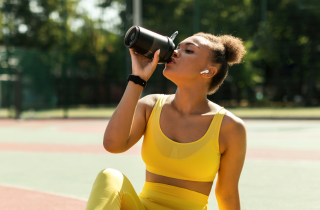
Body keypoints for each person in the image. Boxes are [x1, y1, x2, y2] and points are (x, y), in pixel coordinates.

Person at [85, 32, 247, 210]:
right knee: (109, 176)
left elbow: (227, 193)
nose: (175, 52)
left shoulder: (230, 127)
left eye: (189, 51)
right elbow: (113, 144)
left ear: (208, 71)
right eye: (178, 47)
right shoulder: (151, 106)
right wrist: (138, 79)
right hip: (144, 206)